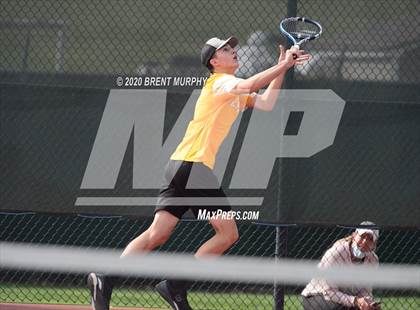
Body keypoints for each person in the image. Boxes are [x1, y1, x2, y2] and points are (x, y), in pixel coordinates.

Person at [88, 36, 310, 310]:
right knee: (228, 234)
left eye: (232, 48)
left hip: (178, 166)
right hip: (193, 167)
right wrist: (284, 64)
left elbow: (265, 102)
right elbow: (251, 84)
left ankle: (106, 278)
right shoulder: (221, 83)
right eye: (227, 50)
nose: (234, 52)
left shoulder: (231, 92)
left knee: (158, 233)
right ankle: (176, 285)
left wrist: (282, 68)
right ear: (214, 62)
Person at [301, 221, 381, 310]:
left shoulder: (373, 260)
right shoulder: (336, 253)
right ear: (354, 235)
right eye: (362, 236)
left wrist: (368, 303)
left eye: (370, 239)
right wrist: (355, 301)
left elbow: (366, 291)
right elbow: (329, 292)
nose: (365, 241)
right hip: (318, 295)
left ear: (374, 244)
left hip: (348, 300)